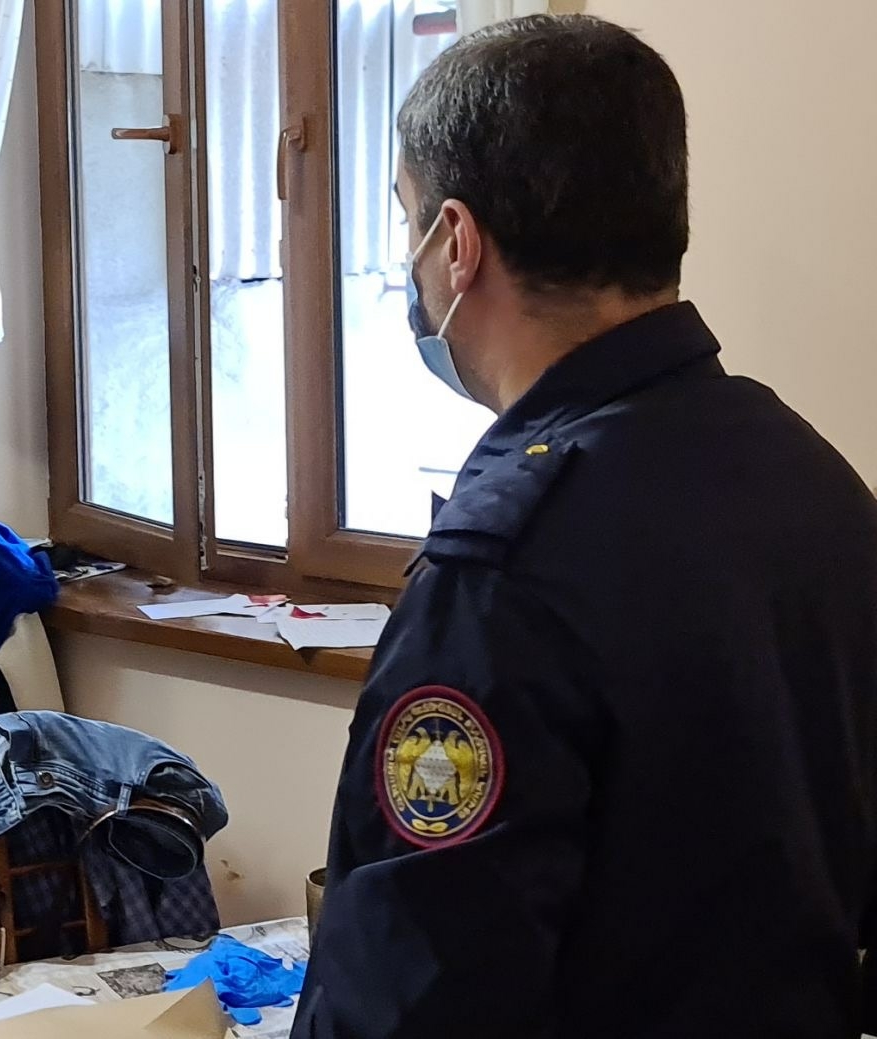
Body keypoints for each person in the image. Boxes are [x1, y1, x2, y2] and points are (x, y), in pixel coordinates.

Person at [294, 15, 877, 1037]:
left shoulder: (507, 566)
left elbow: (419, 993)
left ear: (458, 242)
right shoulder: (812, 480)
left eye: (409, 222)